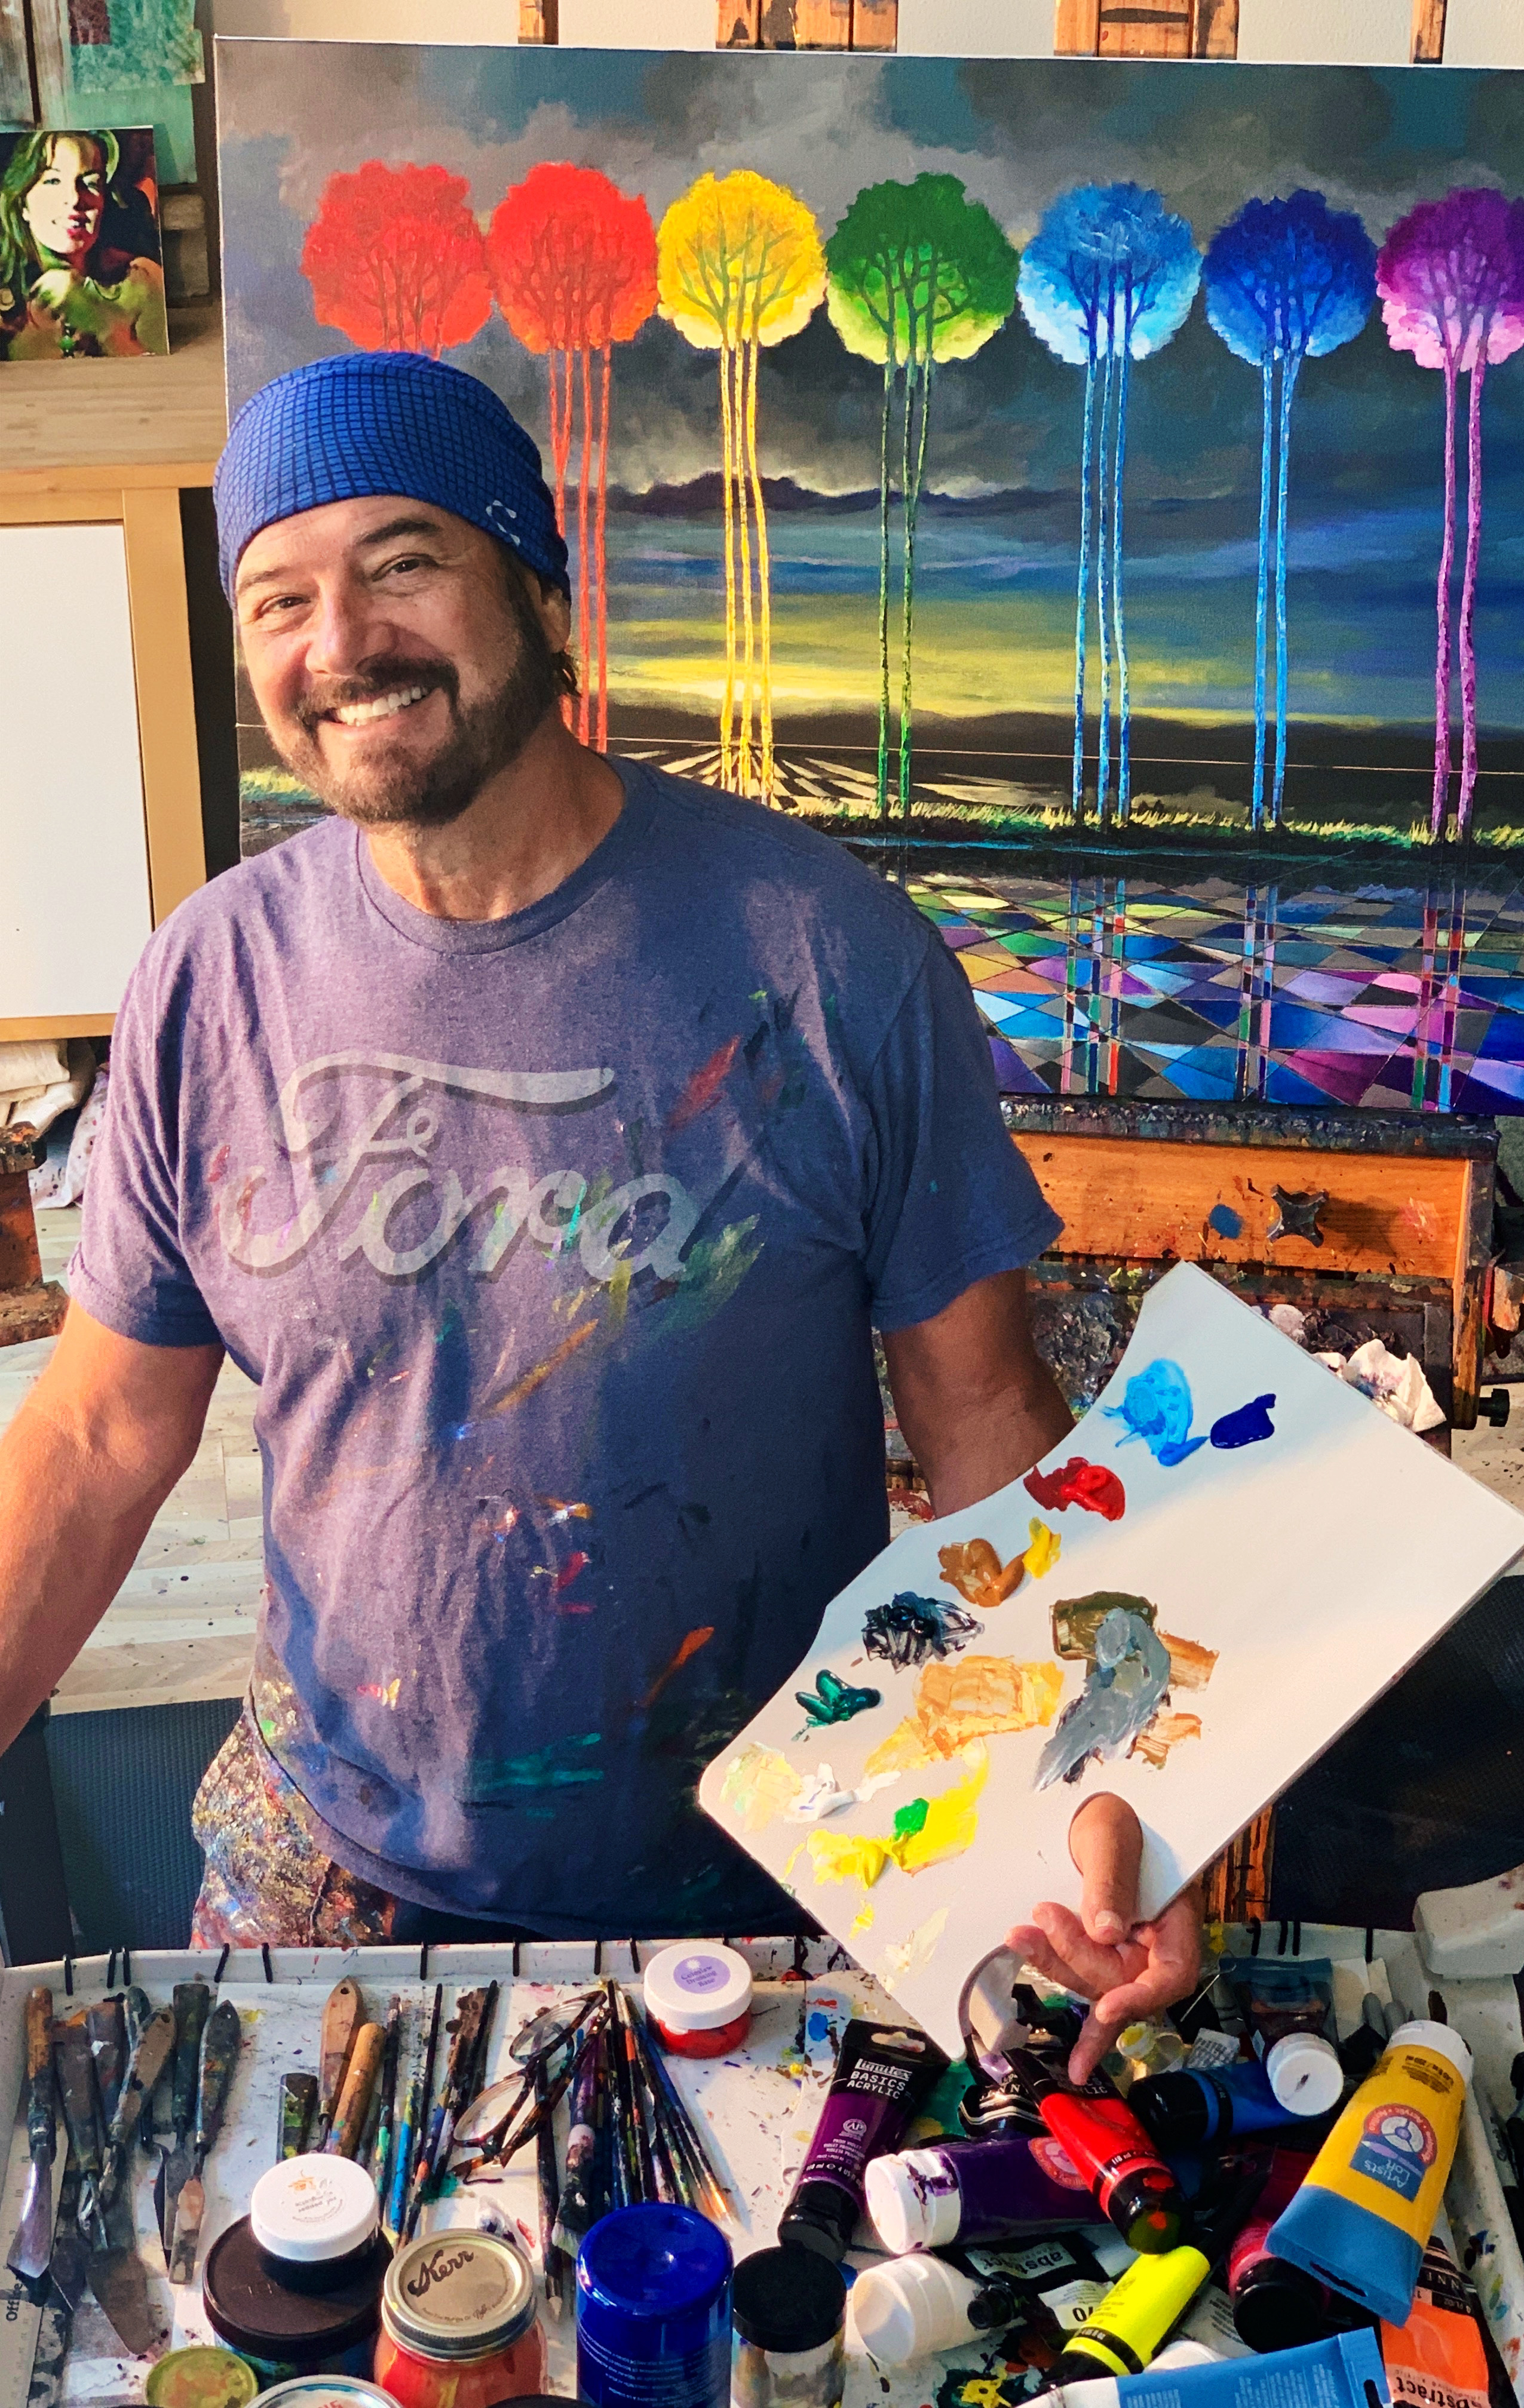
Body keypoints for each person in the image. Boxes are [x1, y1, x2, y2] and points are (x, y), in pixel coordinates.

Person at [0, 351, 1197, 2078]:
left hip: (777, 1874)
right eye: (280, 598)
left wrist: (1120, 1798)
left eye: (403, 563)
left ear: (538, 595)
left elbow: (986, 1421)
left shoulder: (826, 956)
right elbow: (101, 1433)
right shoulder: (211, 981)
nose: (341, 643)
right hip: (326, 1871)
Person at [0, 129, 167, 360]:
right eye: (53, 181)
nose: (75, 199)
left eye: (90, 184)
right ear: (23, 205)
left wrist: (103, 325)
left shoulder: (141, 281)